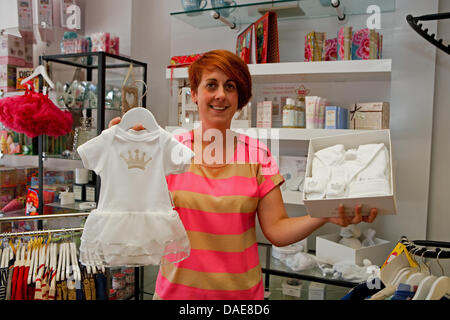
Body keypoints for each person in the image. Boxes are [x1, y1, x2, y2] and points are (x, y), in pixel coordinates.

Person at [109, 49, 378, 300]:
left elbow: (277, 230)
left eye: (230, 86)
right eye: (211, 85)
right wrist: (124, 152)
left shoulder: (257, 155)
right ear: (194, 93)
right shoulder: (168, 149)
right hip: (176, 295)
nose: (221, 95)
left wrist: (323, 215)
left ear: (239, 98)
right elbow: (132, 207)